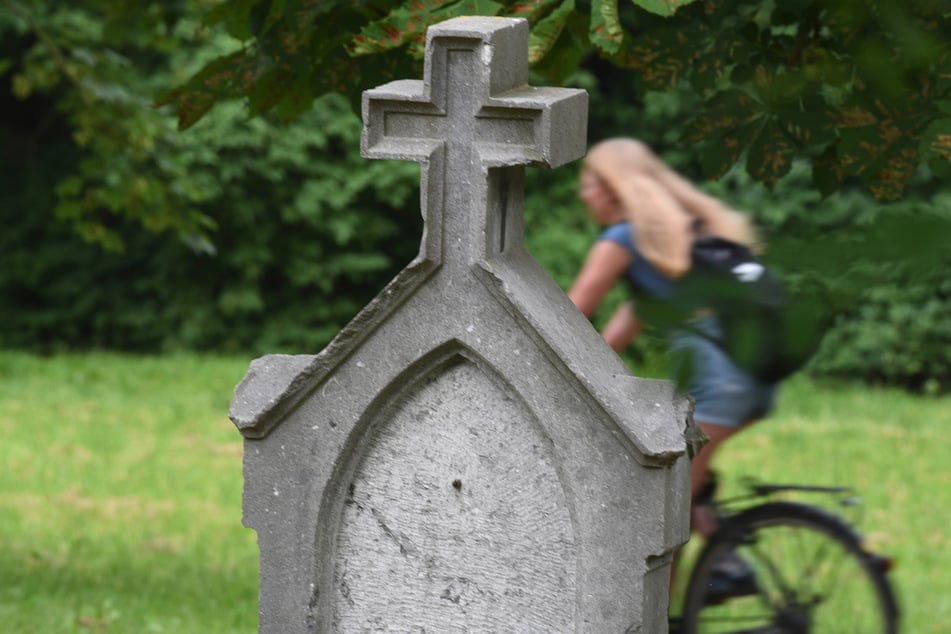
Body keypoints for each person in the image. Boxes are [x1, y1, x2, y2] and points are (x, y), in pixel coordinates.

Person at [567, 137, 781, 563]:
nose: (582, 193)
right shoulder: (678, 234)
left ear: (612, 189)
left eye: (589, 182)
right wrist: (598, 372)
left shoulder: (623, 238)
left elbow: (570, 315)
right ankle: (719, 566)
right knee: (684, 494)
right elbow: (629, 320)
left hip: (721, 380)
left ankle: (675, 611)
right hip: (755, 374)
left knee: (664, 520)